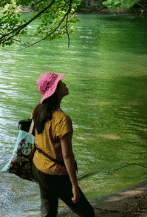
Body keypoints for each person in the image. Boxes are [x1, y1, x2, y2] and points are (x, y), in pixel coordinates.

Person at [30, 72, 95, 217]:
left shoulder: (37, 110)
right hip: (55, 175)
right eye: (61, 83)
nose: (65, 84)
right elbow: (67, 156)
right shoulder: (62, 119)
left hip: (38, 167)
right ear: (55, 91)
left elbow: (34, 138)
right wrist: (74, 186)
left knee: (48, 212)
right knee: (88, 213)